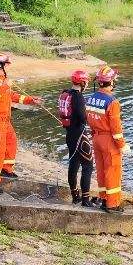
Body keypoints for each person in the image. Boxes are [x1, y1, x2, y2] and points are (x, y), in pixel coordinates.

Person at [0, 53, 41, 196]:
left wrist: (30, 100)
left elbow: (11, 96)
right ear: (0, 66)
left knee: (11, 142)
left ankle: (6, 169)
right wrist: (5, 85)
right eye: (6, 65)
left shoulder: (2, 80)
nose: (8, 67)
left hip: (4, 120)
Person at [85, 65, 127, 213]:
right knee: (112, 171)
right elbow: (116, 129)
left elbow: (89, 119)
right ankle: (112, 204)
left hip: (96, 138)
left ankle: (104, 199)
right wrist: (122, 145)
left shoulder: (91, 98)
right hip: (109, 141)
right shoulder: (113, 102)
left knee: (101, 170)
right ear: (112, 82)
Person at [58, 69, 93, 205]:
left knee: (74, 163)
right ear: (83, 83)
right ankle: (85, 199)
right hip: (79, 135)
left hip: (70, 134)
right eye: (86, 82)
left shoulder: (65, 93)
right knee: (88, 165)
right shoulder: (78, 97)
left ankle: (75, 196)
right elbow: (82, 117)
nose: (87, 84)